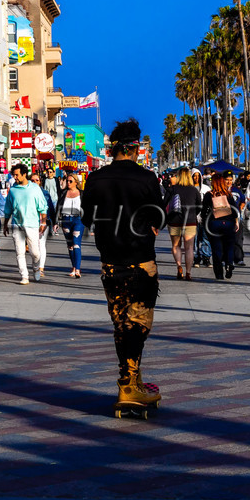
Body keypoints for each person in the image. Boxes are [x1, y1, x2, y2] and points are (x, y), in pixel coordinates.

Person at [84, 118, 165, 411]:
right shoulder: (146, 178)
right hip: (140, 260)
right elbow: (158, 217)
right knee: (138, 323)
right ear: (135, 148)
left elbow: (87, 218)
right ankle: (128, 385)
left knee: (121, 323)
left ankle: (132, 379)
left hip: (110, 261)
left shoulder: (95, 178)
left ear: (113, 149)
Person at [4, 163, 48, 284]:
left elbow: (43, 207)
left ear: (24, 174)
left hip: (32, 224)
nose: (15, 177)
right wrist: (5, 224)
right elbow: (8, 208)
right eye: (14, 175)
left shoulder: (35, 188)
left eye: (17, 175)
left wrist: (43, 223)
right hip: (17, 224)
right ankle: (24, 276)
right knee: (20, 252)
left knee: (35, 253)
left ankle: (36, 268)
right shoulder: (13, 190)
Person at [164, 167, 202, 280]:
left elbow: (163, 203)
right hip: (190, 221)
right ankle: (188, 272)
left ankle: (179, 266)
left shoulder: (172, 189)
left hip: (174, 221)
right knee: (189, 248)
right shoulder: (194, 190)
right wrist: (193, 214)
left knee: (176, 245)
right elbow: (199, 206)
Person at [200, 172, 238, 280]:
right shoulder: (228, 194)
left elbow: (204, 211)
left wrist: (204, 221)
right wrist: (236, 222)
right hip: (228, 223)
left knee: (216, 249)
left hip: (214, 224)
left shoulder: (209, 195)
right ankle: (229, 263)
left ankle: (219, 274)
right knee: (229, 245)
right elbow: (234, 211)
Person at [56, 171, 86, 278]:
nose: (68, 183)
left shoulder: (82, 193)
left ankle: (77, 269)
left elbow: (87, 208)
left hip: (78, 220)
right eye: (67, 181)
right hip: (66, 220)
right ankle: (73, 267)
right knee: (70, 246)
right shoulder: (63, 193)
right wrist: (56, 222)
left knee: (76, 243)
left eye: (70, 181)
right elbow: (58, 207)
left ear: (76, 182)